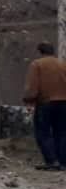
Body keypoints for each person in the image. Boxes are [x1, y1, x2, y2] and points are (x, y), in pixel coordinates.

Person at [23, 42, 66, 170]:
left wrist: (29, 100)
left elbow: (33, 86)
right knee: (62, 133)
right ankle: (63, 162)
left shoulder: (37, 64)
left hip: (46, 103)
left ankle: (52, 161)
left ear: (40, 52)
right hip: (64, 103)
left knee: (43, 133)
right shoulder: (63, 64)